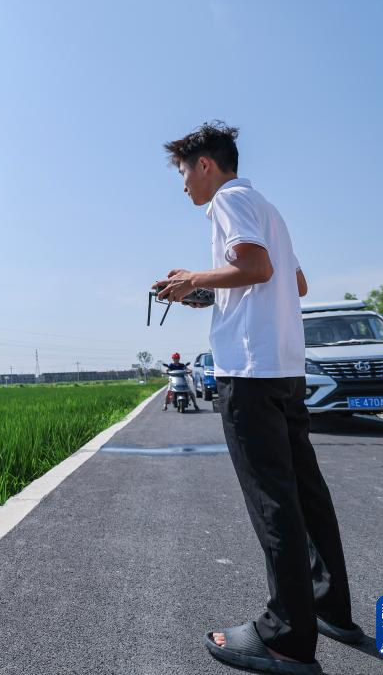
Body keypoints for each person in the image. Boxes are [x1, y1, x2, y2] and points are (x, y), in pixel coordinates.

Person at [152, 122, 362, 674]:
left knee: (273, 501)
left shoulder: (227, 201)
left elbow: (256, 267)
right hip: (286, 369)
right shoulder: (268, 207)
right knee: (306, 495)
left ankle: (286, 639)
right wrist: (203, 293)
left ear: (205, 165)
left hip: (249, 373)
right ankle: (328, 607)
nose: (183, 187)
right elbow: (292, 284)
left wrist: (196, 274)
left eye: (183, 173)